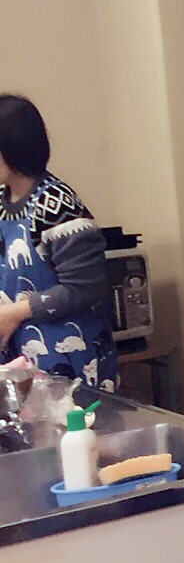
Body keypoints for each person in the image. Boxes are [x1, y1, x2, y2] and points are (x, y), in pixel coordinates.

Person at [0, 94, 117, 391]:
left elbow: (85, 287)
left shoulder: (57, 203)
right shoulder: (2, 203)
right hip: (21, 361)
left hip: (72, 363)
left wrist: (15, 312)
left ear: (14, 147)